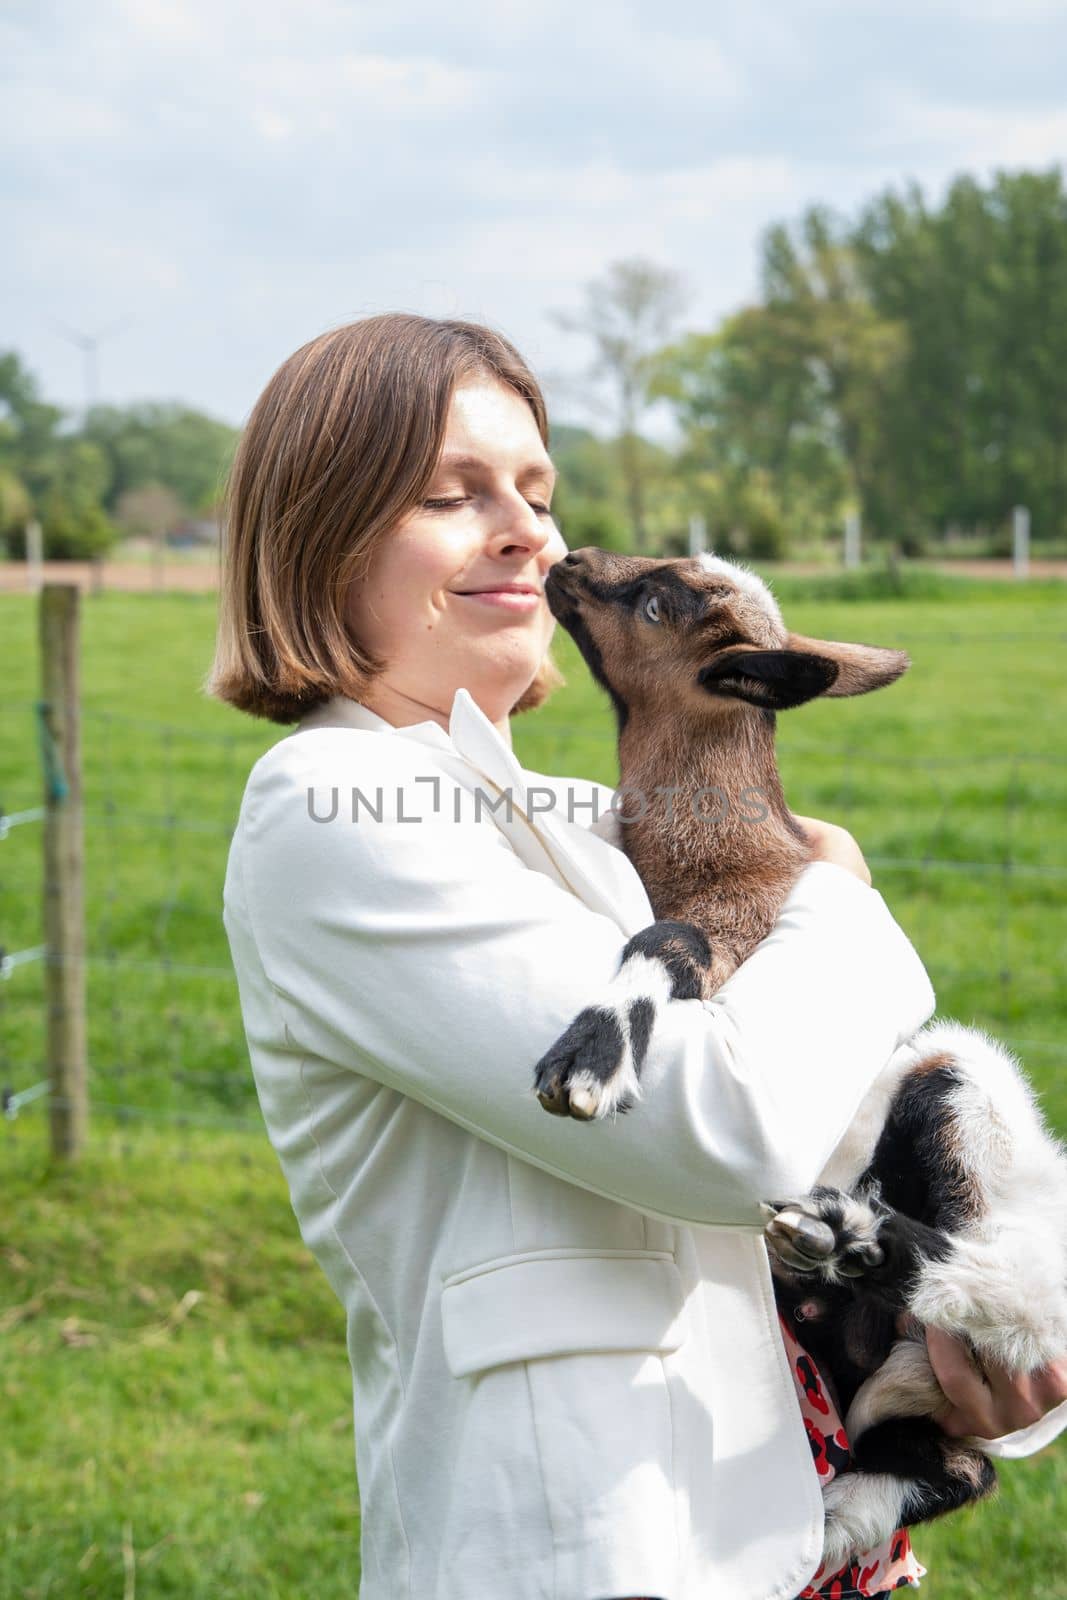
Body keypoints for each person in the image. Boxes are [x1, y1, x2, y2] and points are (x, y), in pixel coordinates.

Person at [211, 314, 1067, 1600]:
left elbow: (838, 1144)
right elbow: (726, 1126)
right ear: (320, 532)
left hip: (781, 1525)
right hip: (583, 1547)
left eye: (538, 492)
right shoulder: (328, 805)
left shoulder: (576, 824)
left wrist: (998, 1342)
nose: (529, 534)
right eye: (454, 494)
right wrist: (837, 891)